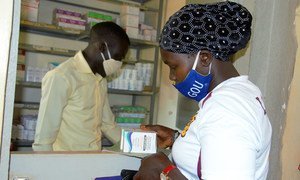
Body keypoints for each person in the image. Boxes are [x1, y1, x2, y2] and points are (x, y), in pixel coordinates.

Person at [134, 1, 272, 180]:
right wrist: (178, 141)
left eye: (174, 66)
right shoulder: (234, 94)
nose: (172, 77)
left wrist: (163, 168)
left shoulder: (227, 109)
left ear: (204, 59)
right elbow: (220, 146)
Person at [32, 22, 130, 151]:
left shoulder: (100, 79)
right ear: (101, 47)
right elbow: (44, 138)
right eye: (117, 57)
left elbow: (108, 125)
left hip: (92, 159)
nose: (119, 64)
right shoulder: (62, 76)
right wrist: (48, 168)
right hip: (67, 162)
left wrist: (137, 147)